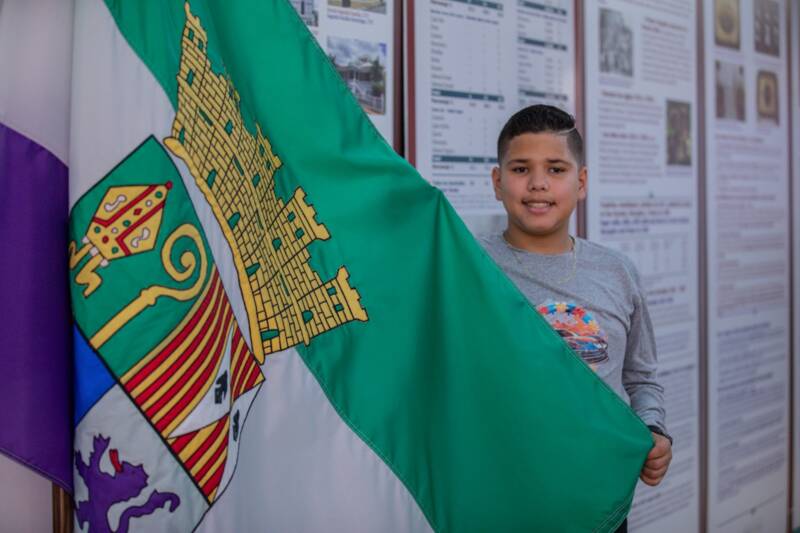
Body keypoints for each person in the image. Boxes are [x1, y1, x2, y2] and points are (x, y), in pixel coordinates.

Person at [479, 104, 672, 532]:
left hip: (597, 504)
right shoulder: (468, 266)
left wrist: (654, 429)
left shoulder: (617, 272)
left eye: (556, 169)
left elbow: (641, 377)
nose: (538, 184)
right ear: (497, 182)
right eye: (520, 169)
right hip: (498, 502)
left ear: (580, 182)